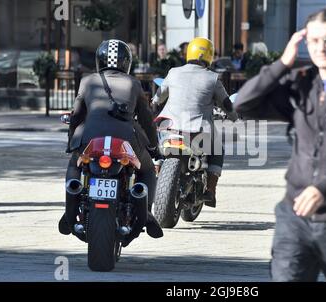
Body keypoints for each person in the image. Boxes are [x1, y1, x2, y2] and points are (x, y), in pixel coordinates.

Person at [234, 9, 326, 281]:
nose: (321, 48)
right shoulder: (302, 83)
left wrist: (323, 189)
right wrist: (282, 63)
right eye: (314, 41)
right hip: (295, 220)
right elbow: (243, 103)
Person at [58, 39, 163, 240]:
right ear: (126, 62)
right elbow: (147, 120)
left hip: (90, 138)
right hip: (126, 139)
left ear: (99, 60)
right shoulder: (133, 83)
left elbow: (77, 115)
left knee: (75, 164)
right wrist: (153, 147)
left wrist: (71, 142)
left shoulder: (87, 81)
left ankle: (70, 207)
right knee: (148, 168)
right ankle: (146, 211)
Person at [152, 37, 238, 207]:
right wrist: (235, 116)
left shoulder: (173, 72)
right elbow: (227, 104)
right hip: (198, 131)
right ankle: (210, 191)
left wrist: (152, 110)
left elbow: (156, 100)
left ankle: (157, 175)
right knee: (217, 148)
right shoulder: (213, 78)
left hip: (168, 127)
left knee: (157, 151)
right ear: (209, 56)